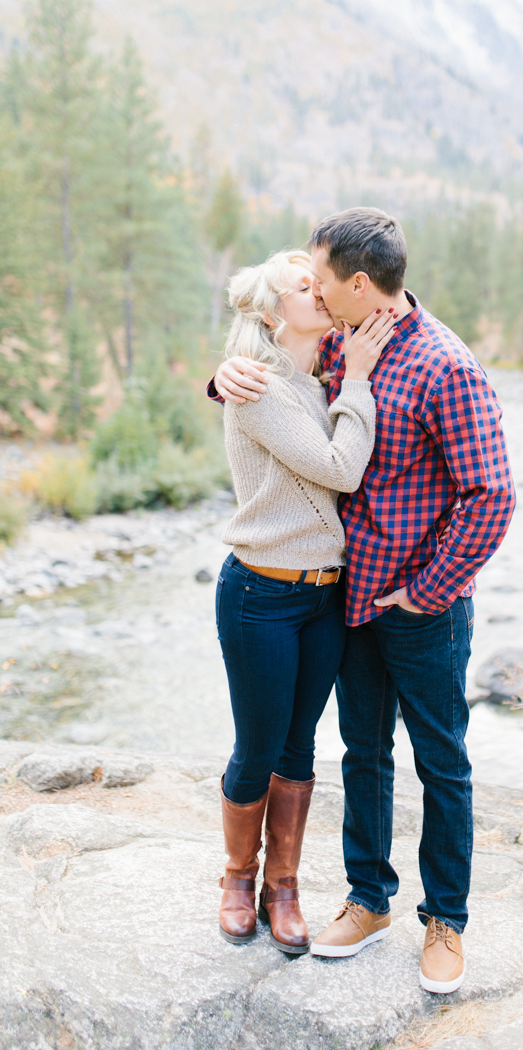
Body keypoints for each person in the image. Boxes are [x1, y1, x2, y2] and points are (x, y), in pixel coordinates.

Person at [213, 209, 516, 992]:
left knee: (441, 761)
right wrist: (219, 380)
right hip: (344, 599)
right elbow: (275, 382)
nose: (312, 287)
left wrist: (424, 594)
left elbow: (492, 496)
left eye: (321, 278)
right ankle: (368, 898)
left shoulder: (446, 365)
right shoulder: (343, 342)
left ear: (357, 285)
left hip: (421, 608)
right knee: (364, 754)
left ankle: (445, 921)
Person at [215, 248, 395, 953]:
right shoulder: (256, 384)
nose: (317, 292)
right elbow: (340, 469)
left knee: (299, 747)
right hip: (259, 593)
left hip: (324, 599)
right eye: (302, 286)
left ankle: (282, 887)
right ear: (269, 312)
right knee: (258, 747)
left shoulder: (315, 381)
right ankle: (237, 877)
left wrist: (344, 377)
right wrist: (359, 377)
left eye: (318, 282)